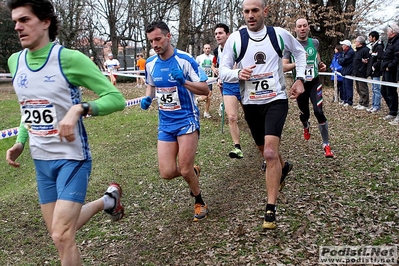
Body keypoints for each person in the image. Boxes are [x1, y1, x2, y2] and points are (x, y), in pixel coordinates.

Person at [5, 0, 126, 265]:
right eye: (15, 21)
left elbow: (115, 98)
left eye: (24, 20)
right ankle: (106, 201)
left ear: (46, 21)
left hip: (72, 158)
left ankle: (106, 201)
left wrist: (80, 108)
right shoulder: (15, 61)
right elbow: (29, 106)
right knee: (60, 233)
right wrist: (21, 142)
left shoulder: (68, 59)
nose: (17, 27)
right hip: (41, 161)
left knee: (61, 234)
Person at [219, 0, 306, 230]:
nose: (250, 15)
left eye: (255, 10)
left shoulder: (279, 35)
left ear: (264, 12)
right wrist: (238, 73)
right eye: (246, 11)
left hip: (276, 99)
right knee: (265, 152)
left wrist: (300, 78)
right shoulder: (236, 39)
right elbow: (223, 71)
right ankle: (283, 167)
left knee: (269, 153)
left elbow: (301, 52)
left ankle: (270, 209)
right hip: (251, 103)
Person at [141, 21, 210, 221]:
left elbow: (205, 90)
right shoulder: (151, 64)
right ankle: (192, 172)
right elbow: (150, 86)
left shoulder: (185, 60)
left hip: (186, 120)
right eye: (151, 41)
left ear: (168, 36)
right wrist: (148, 97)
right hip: (165, 123)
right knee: (167, 172)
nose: (154, 44)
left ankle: (199, 201)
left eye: (158, 39)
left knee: (185, 167)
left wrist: (184, 82)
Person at [283, 18, 334, 158]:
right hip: (300, 85)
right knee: (305, 113)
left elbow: (317, 58)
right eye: (299, 26)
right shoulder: (289, 45)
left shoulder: (315, 42)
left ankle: (326, 145)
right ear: (295, 29)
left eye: (305, 26)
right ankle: (305, 125)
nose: (302, 28)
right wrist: (299, 61)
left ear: (308, 27)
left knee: (319, 111)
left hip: (314, 82)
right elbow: (283, 66)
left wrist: (321, 64)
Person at [212, 23, 244, 159]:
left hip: (243, 85)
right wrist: (220, 77)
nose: (218, 36)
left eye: (220, 33)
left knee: (252, 117)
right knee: (231, 117)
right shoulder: (217, 51)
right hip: (229, 86)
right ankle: (237, 147)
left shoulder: (239, 46)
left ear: (228, 35)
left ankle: (262, 142)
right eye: (216, 34)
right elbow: (219, 67)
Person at [380, 22, 399, 123]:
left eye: (388, 31)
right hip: (385, 69)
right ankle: (392, 110)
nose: (387, 33)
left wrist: (389, 66)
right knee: (383, 90)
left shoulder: (397, 42)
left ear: (393, 32)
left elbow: (397, 57)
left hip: (391, 70)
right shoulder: (390, 42)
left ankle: (393, 111)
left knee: (391, 91)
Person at [366, 31, 384, 113]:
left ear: (374, 37)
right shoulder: (373, 47)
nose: (369, 39)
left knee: (376, 89)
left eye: (370, 37)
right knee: (373, 88)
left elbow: (380, 59)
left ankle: (377, 106)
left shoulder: (379, 47)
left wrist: (374, 66)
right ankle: (373, 105)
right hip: (372, 72)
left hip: (376, 72)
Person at [352, 36, 370, 110]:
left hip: (361, 72)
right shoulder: (357, 51)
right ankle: (361, 101)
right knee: (359, 89)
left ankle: (365, 103)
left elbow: (367, 61)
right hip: (356, 72)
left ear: (359, 42)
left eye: (356, 41)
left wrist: (362, 69)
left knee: (363, 88)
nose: (355, 43)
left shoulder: (365, 50)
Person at [196, 44, 214, 118]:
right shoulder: (199, 57)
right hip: (202, 79)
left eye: (209, 48)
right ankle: (197, 100)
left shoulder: (213, 57)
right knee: (205, 96)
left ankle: (206, 112)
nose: (207, 50)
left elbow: (215, 66)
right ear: (203, 49)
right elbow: (195, 67)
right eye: (206, 48)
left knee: (208, 96)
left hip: (210, 79)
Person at [338, 39, 355, 107]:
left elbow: (343, 61)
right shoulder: (344, 52)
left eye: (343, 45)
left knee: (348, 87)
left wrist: (342, 60)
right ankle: (345, 100)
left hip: (349, 72)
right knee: (344, 87)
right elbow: (340, 60)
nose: (342, 46)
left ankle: (349, 101)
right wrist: (341, 60)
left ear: (347, 46)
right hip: (344, 71)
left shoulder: (351, 52)